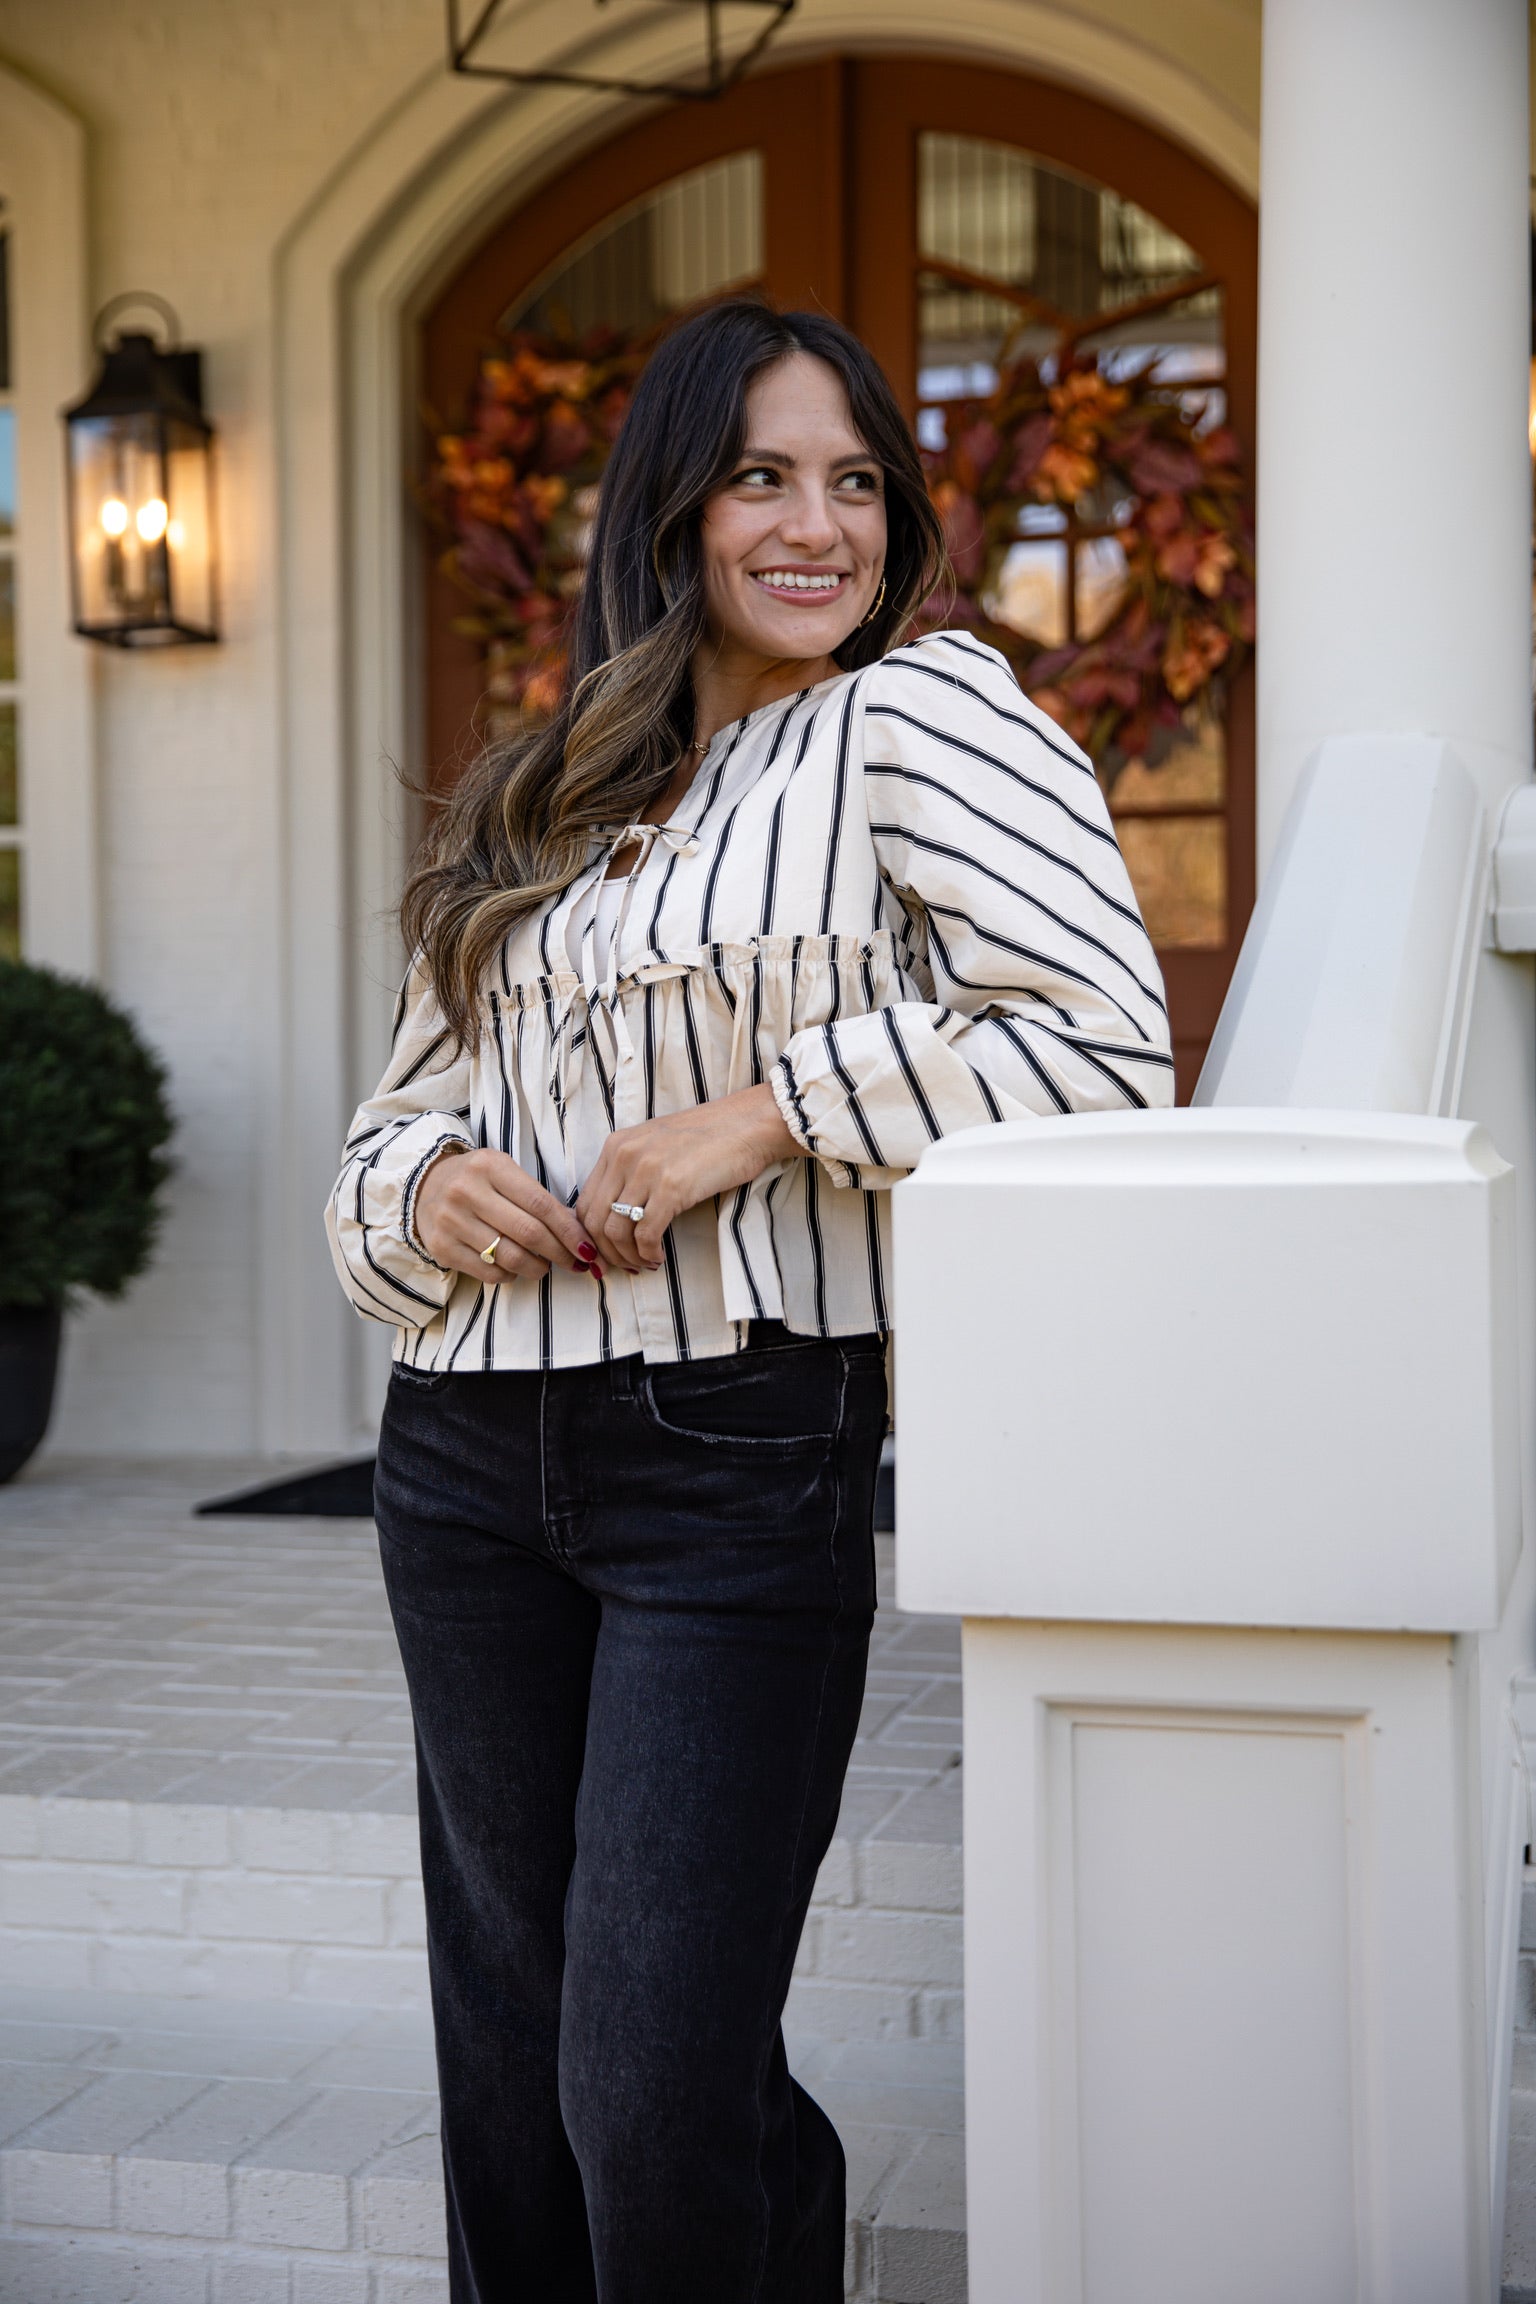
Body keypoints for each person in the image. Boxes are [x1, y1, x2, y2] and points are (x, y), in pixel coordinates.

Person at [326, 296, 1173, 2303]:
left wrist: (767, 1114)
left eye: (858, 481)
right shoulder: (543, 786)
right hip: (461, 1456)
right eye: (762, 478)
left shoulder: (926, 717)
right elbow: (384, 1132)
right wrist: (428, 1186)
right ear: (674, 508)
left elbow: (1101, 1045)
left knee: (649, 2074)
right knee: (516, 2057)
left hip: (738, 1450)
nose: (820, 526)